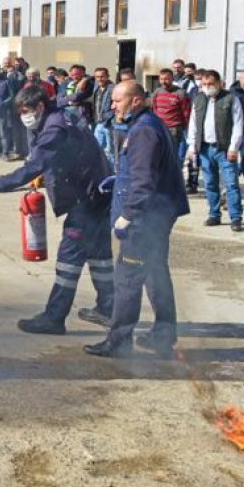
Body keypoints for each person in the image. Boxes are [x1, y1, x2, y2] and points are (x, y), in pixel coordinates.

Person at [0, 84, 115, 335]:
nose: (24, 116)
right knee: (99, 256)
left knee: (68, 261)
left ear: (39, 106)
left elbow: (34, 164)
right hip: (100, 194)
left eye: (26, 110)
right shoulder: (63, 116)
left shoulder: (54, 128)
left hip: (87, 200)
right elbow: (69, 154)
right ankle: (109, 309)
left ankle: (54, 317)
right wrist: (47, 176)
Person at [87, 81, 190, 358]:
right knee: (156, 273)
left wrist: (128, 215)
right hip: (157, 213)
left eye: (117, 101)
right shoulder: (148, 123)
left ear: (135, 101)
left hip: (144, 219)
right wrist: (117, 182)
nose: (112, 106)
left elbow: (143, 181)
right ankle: (163, 335)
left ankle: (119, 341)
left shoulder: (144, 130)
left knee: (128, 279)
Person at [186, 70, 244, 231]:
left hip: (225, 149)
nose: (207, 87)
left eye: (211, 84)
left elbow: (238, 124)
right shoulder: (199, 99)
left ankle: (236, 217)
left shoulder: (231, 99)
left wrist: (234, 147)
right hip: (204, 148)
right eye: (204, 84)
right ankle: (214, 214)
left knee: (231, 183)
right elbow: (193, 124)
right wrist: (192, 146)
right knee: (210, 183)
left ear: (219, 83)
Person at [149, 68, 191, 169]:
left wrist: (184, 127)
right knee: (158, 154)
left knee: (172, 155)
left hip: (174, 129)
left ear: (172, 79)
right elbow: (153, 108)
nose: (164, 81)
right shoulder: (157, 92)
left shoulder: (180, 93)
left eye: (167, 79)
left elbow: (186, 112)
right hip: (158, 128)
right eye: (161, 79)